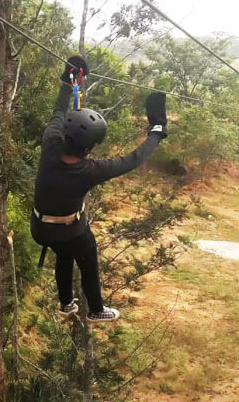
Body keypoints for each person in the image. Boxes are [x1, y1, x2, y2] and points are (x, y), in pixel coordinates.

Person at [30, 55, 168, 324]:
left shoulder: (51, 142)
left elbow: (58, 112)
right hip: (67, 230)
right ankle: (96, 309)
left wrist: (67, 81)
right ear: (89, 147)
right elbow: (134, 159)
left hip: (40, 228)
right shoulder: (89, 171)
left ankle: (66, 302)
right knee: (87, 253)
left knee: (63, 252)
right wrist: (157, 131)